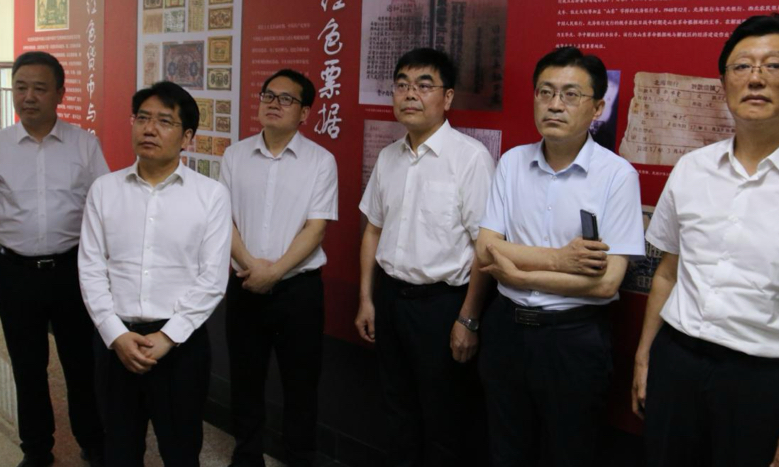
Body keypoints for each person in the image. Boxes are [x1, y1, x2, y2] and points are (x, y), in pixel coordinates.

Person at [632, 13, 779, 467]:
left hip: (764, 380)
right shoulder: (692, 168)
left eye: (774, 66)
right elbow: (668, 273)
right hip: (677, 362)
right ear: (725, 82)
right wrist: (645, 358)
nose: (755, 78)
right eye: (742, 66)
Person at [475, 46, 644, 467]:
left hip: (573, 338)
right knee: (505, 449)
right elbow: (486, 248)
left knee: (570, 452)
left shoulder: (617, 176)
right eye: (545, 92)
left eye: (570, 95)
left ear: (597, 107)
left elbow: (606, 282)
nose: (554, 104)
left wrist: (518, 274)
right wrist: (560, 261)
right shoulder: (512, 163)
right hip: (506, 331)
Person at [0, 51, 107, 467]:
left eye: (39, 88)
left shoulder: (84, 144)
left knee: (81, 365)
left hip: (71, 271)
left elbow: (104, 209)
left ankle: (94, 443)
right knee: (27, 368)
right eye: (20, 87)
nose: (28, 97)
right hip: (16, 273)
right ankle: (37, 450)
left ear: (60, 93)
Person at [78, 81, 232, 466]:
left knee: (181, 451)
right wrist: (114, 334)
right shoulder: (104, 190)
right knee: (119, 450)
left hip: (180, 346)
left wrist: (168, 336)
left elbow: (212, 280)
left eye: (164, 121)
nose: (149, 129)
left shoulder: (210, 195)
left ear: (187, 137)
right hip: (116, 342)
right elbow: (91, 267)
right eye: (142, 118)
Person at [356, 47, 495, 467]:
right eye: (402, 85)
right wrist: (366, 299)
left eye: (423, 85)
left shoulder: (470, 158)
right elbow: (373, 230)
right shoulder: (388, 157)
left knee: (444, 419)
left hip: (442, 306)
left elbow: (484, 248)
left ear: (447, 97)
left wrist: (468, 319)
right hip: (391, 299)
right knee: (397, 411)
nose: (410, 94)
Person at [221, 69, 338, 467]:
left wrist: (274, 272)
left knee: (301, 384)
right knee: (245, 380)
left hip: (298, 291)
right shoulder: (235, 156)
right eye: (269, 95)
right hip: (244, 284)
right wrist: (251, 266)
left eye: (286, 99)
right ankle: (246, 457)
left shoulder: (320, 162)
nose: (274, 103)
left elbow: (316, 228)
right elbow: (224, 221)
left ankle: (299, 458)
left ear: (304, 113)